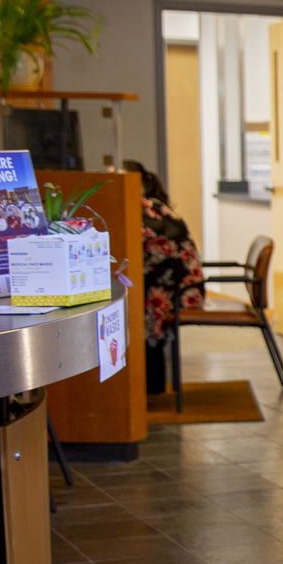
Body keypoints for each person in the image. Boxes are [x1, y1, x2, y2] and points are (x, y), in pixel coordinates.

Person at [122, 160, 203, 397]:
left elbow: (132, 241)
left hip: (181, 290)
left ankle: (149, 385)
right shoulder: (151, 206)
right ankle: (148, 383)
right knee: (138, 295)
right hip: (172, 283)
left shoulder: (147, 210)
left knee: (138, 303)